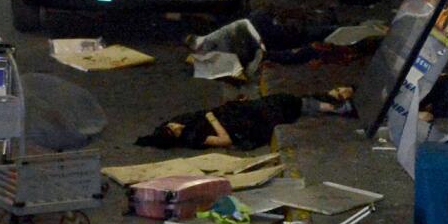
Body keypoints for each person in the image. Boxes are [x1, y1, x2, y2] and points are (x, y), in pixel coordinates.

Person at [134, 88, 356, 151]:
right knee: (284, 106)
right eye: (175, 129)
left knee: (284, 100)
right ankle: (336, 106)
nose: (176, 125)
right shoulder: (193, 137)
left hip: (237, 113)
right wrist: (212, 118)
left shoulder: (176, 125)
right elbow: (224, 140)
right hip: (243, 125)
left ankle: (333, 101)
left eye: (172, 125)